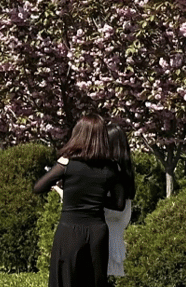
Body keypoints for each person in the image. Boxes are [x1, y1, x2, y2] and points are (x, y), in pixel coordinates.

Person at [33, 114, 133, 287]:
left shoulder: (67, 163)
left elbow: (39, 187)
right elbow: (119, 204)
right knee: (94, 280)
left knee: (65, 278)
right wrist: (97, 200)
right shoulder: (111, 168)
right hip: (97, 231)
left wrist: (70, 195)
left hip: (70, 229)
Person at [102, 124, 136, 279]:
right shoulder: (125, 171)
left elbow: (118, 205)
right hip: (115, 235)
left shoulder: (115, 172)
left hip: (108, 237)